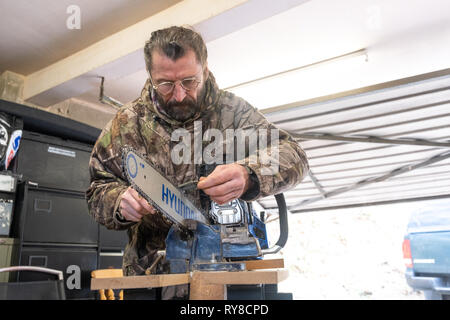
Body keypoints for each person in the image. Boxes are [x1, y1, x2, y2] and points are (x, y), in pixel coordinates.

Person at [86, 26, 309, 299]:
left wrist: (249, 174)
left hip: (226, 275)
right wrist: (118, 202)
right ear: (151, 76)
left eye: (189, 81)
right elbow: (97, 190)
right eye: (166, 84)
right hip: (150, 279)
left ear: (204, 69)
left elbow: (294, 154)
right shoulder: (127, 122)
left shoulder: (234, 114)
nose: (178, 94)